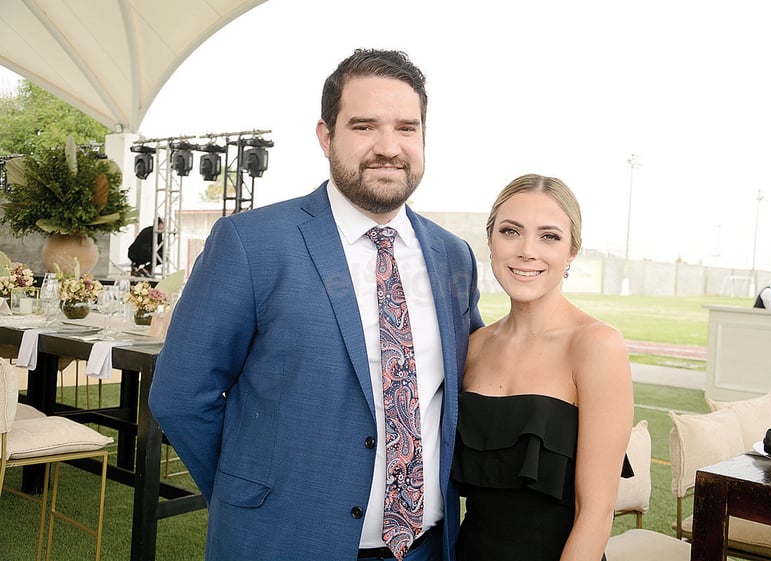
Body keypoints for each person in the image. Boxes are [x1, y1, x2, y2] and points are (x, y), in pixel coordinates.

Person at [148, 49, 483, 561]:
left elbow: (466, 391)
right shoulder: (250, 243)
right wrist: (250, 494)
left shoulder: (453, 257)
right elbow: (179, 395)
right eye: (365, 126)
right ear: (327, 136)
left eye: (407, 128)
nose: (388, 147)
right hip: (284, 542)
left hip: (426, 548)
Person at [451, 174, 634, 561]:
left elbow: (596, 515)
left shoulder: (596, 346)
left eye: (548, 236)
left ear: (572, 251)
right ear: (491, 242)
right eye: (511, 231)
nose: (527, 250)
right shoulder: (473, 346)